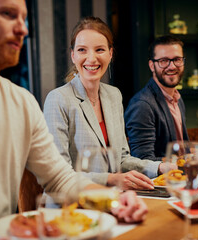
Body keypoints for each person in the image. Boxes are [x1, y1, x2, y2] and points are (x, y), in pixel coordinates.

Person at [0, 1, 147, 238]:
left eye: (23, 18)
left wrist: (115, 202)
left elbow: (60, 178)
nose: (24, 29)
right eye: (8, 14)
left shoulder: (23, 103)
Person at [43, 17, 174, 190]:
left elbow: (122, 159)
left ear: (110, 54)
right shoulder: (58, 99)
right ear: (73, 55)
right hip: (74, 204)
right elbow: (59, 174)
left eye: (99, 50)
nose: (91, 58)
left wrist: (160, 167)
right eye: (82, 50)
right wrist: (111, 179)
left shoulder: (113, 95)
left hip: (113, 198)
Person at [124, 35, 189, 161]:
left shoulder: (177, 98)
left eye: (177, 59)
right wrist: (192, 158)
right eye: (163, 61)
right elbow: (143, 161)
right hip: (159, 180)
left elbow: (181, 150)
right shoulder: (142, 105)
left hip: (181, 176)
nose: (172, 66)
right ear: (152, 66)